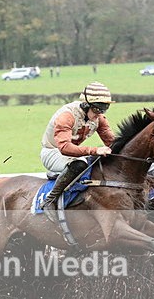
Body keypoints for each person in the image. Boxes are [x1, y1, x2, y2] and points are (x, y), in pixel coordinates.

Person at [39, 81, 116, 222]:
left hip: (70, 153)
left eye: (103, 110)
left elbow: (112, 143)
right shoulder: (67, 116)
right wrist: (94, 150)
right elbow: (64, 148)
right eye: (97, 110)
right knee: (80, 164)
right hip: (52, 152)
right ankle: (50, 200)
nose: (99, 115)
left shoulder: (98, 118)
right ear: (86, 105)